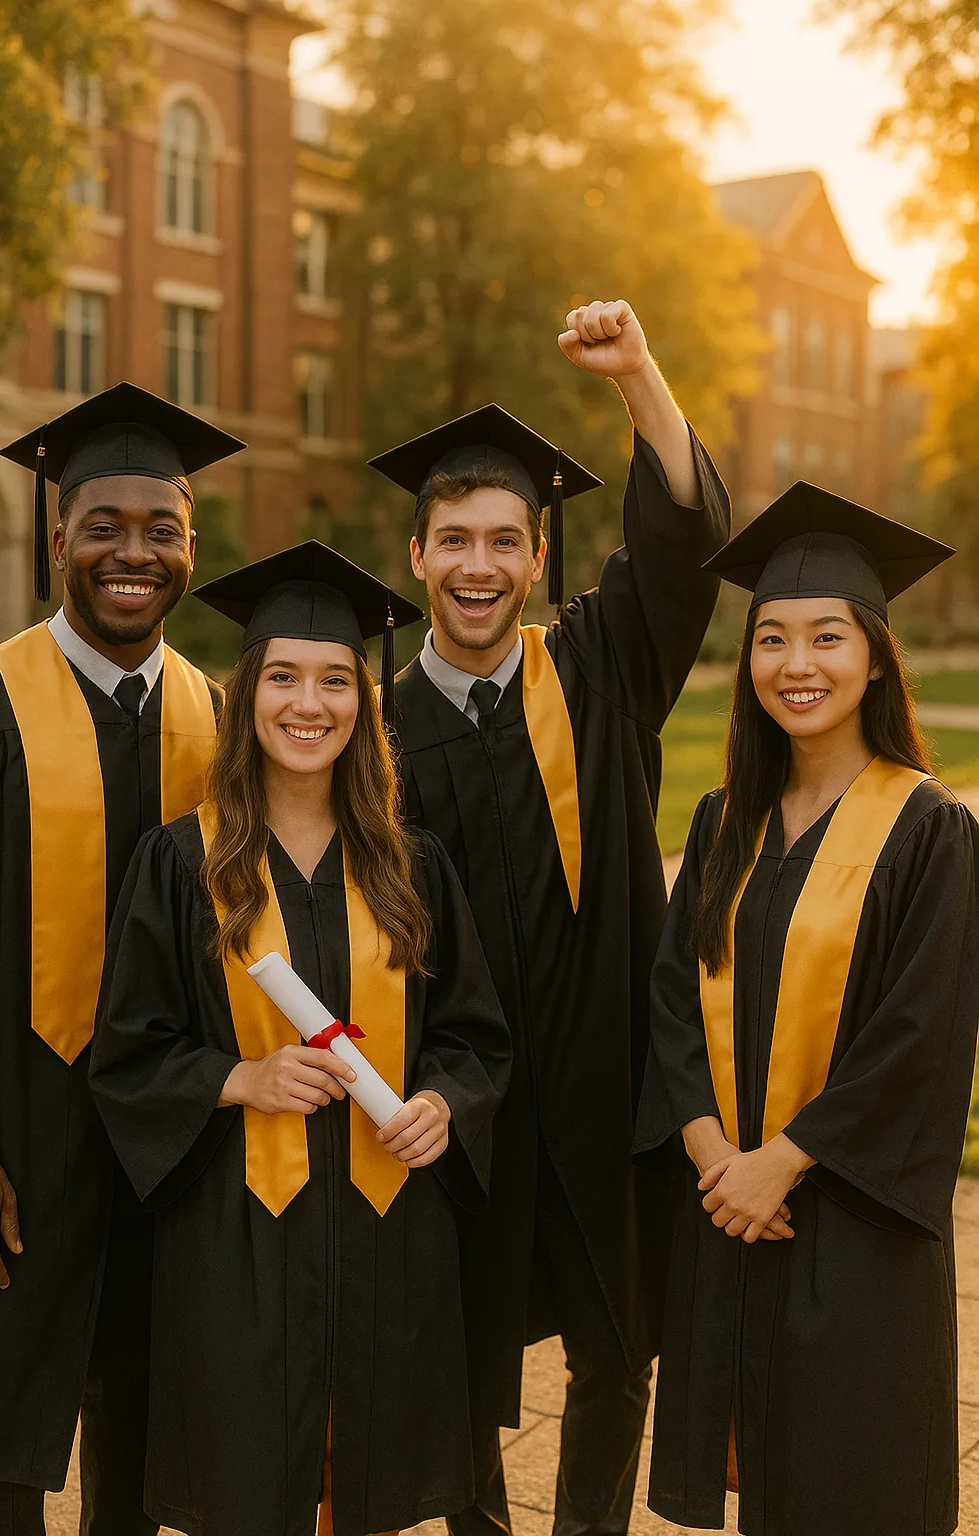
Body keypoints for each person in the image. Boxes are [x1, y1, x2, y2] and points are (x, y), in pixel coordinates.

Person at [368, 298, 731, 1536]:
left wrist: (639, 375)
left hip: (599, 1079)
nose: (478, 565)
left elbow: (682, 548)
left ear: (538, 558)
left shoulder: (596, 668)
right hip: (452, 1101)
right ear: (414, 557)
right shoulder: (363, 728)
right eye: (453, 541)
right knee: (461, 1352)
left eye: (504, 542)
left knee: (616, 1345)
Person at [88, 541, 512, 1536]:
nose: (307, 704)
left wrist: (446, 1104)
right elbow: (128, 1048)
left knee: (365, 1479)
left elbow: (474, 1036)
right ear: (246, 696)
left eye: (334, 681)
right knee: (247, 1479)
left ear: (365, 706)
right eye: (281, 677)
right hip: (236, 1234)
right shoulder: (182, 862)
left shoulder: (412, 866)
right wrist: (241, 1078)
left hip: (387, 1231)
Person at [633, 486, 979, 1535]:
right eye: (771, 638)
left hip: (845, 1218)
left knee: (851, 1482)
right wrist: (711, 1158)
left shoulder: (927, 829)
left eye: (827, 637)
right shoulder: (723, 818)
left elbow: (919, 1037)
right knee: (761, 1481)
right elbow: (670, 1004)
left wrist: (776, 1163)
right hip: (731, 1205)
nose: (797, 663)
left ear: (873, 656)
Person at [0, 383, 243, 1536]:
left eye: (161, 529)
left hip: (166, 1152)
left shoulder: (215, 716)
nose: (136, 552)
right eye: (106, 526)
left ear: (190, 547)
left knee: (141, 1448)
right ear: (57, 537)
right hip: (15, 1139)